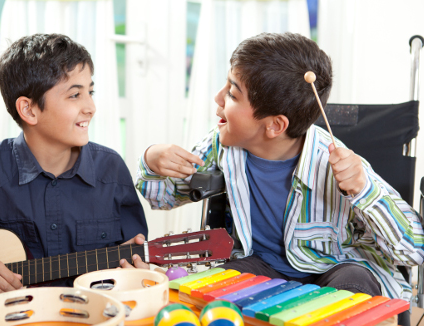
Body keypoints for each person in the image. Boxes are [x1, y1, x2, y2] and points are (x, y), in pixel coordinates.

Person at [136, 32, 424, 305]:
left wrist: (364, 189)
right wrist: (151, 160)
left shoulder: (336, 160)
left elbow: (413, 249)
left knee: (354, 282)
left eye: (233, 95)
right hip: (261, 265)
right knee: (219, 284)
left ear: (275, 125)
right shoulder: (221, 145)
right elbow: (161, 197)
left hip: (338, 267)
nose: (218, 97)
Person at [0, 33, 149, 298]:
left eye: (90, 91)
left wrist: (138, 272)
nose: (91, 107)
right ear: (29, 110)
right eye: (75, 94)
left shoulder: (110, 169)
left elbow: (137, 258)